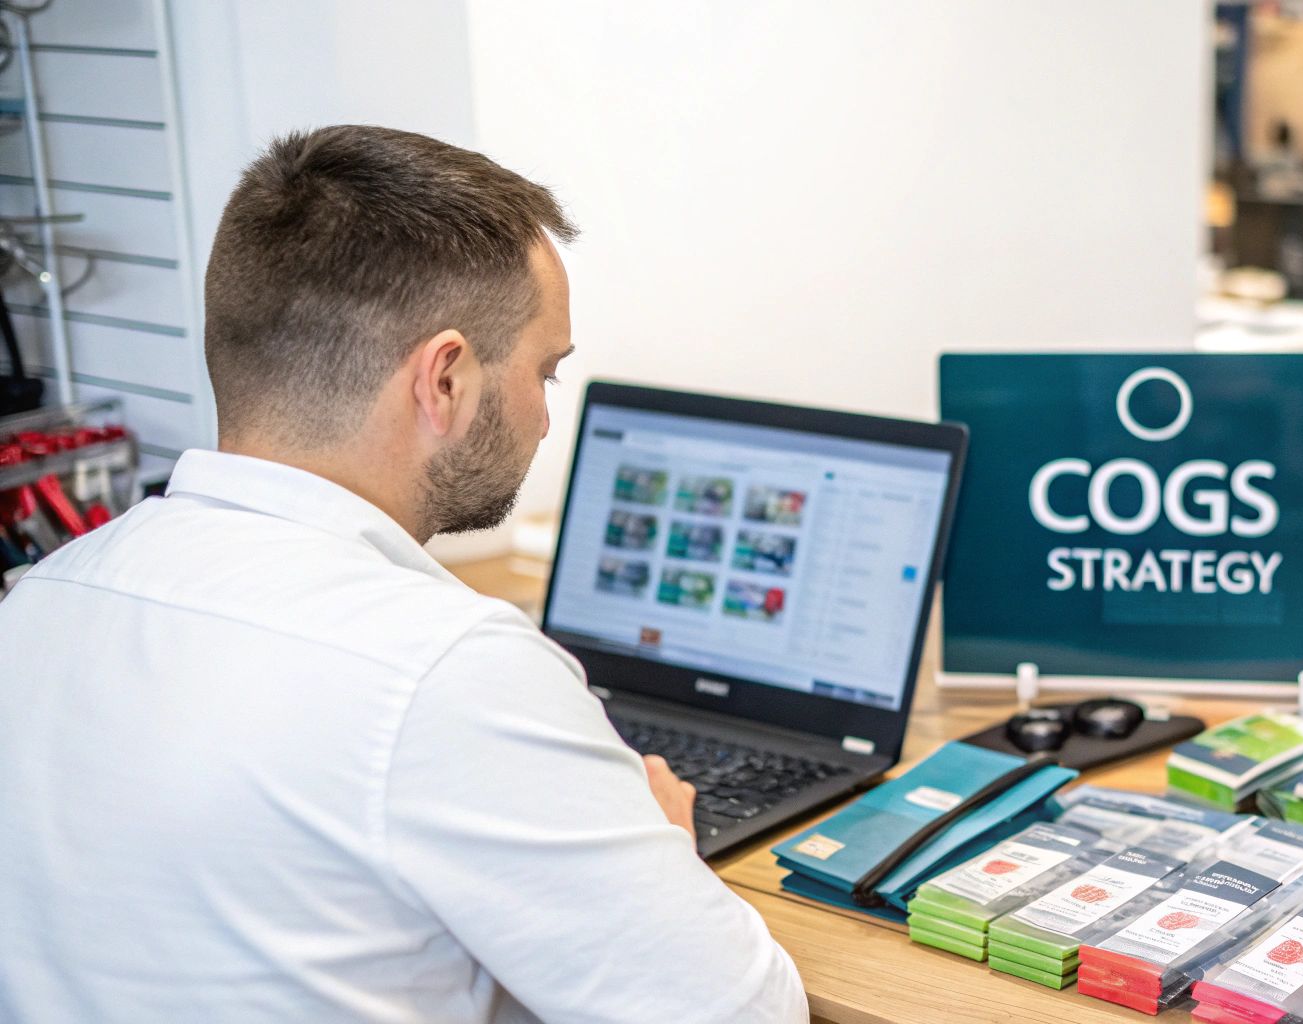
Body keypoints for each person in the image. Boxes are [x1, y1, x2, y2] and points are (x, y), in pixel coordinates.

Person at [0, 126, 808, 1023]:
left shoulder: (40, 600)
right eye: (544, 371)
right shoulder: (443, 669)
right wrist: (661, 850)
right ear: (446, 379)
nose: (545, 419)